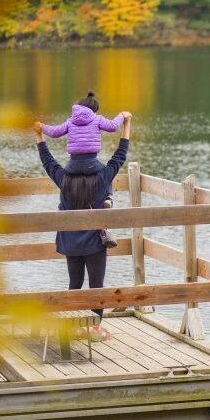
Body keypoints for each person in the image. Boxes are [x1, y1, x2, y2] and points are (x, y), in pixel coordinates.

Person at [33, 112, 132, 341]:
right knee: (96, 285)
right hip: (95, 242)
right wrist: (126, 127)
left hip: (70, 241)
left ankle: (74, 325)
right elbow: (120, 156)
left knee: (74, 283)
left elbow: (47, 161)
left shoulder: (63, 178)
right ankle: (95, 327)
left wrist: (40, 136)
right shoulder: (102, 177)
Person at [36, 91, 127, 176]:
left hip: (73, 165)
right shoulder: (98, 119)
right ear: (93, 110)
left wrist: (42, 127)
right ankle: (107, 193)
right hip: (92, 164)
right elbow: (113, 126)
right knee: (107, 177)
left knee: (64, 181)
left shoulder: (70, 122)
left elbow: (54, 133)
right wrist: (121, 115)